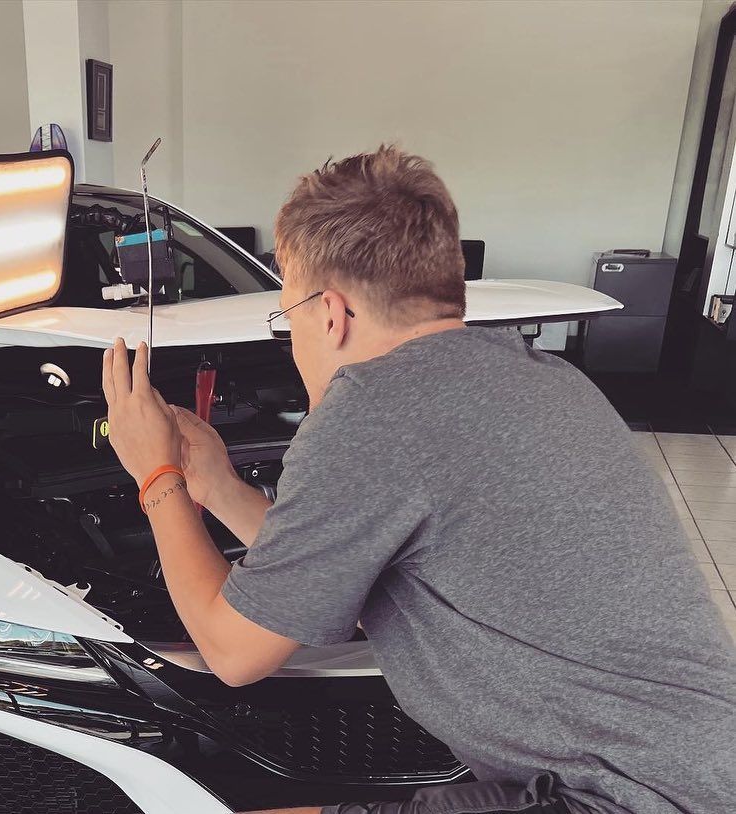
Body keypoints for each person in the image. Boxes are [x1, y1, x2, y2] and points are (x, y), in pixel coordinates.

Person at [101, 145, 736, 814]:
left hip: (622, 799)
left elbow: (233, 652)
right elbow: (339, 575)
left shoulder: (373, 410)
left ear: (330, 313)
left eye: (286, 317)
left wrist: (157, 474)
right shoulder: (552, 379)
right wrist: (219, 486)